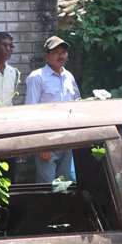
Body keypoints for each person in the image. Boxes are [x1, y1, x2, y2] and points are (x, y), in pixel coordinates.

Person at [26, 36, 81, 182]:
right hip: (48, 142)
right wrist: (41, 144)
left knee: (66, 186)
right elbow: (30, 113)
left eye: (63, 52)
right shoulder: (37, 77)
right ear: (46, 55)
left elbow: (77, 106)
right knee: (47, 187)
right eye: (56, 52)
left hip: (68, 140)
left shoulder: (69, 76)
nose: (61, 56)